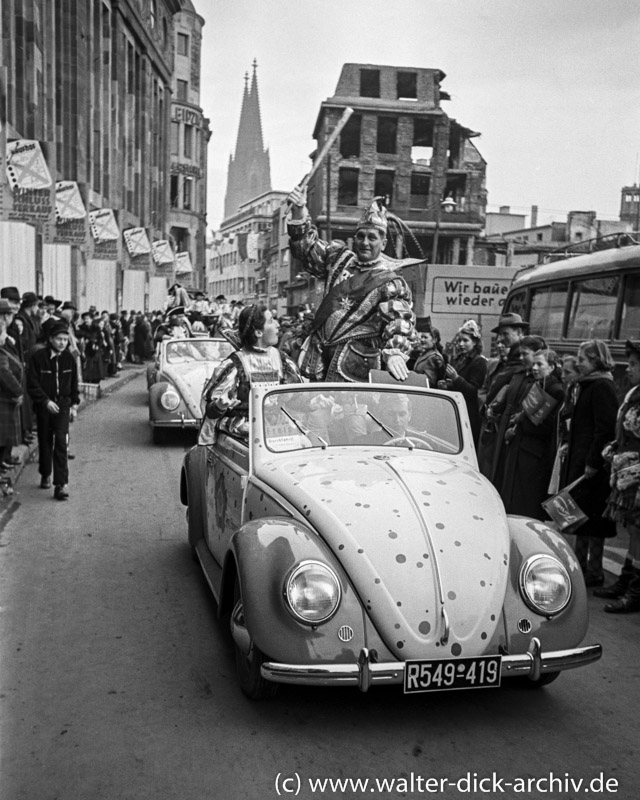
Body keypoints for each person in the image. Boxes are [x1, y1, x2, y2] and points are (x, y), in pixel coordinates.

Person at [287, 187, 418, 383]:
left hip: (355, 363)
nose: (365, 242)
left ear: (383, 244)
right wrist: (299, 211)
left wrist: (396, 352)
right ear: (354, 238)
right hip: (317, 355)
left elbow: (401, 319)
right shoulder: (337, 257)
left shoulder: (391, 282)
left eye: (372, 237)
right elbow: (306, 249)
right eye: (361, 236)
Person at [559, 340, 618, 586]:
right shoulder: (587, 384)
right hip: (581, 459)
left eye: (582, 359)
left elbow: (603, 429)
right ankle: (581, 565)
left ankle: (593, 571)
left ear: (595, 361)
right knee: (582, 518)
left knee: (592, 521)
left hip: (592, 465)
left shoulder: (601, 386)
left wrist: (593, 461)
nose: (579, 362)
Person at [199, 305, 301, 442]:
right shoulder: (235, 364)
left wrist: (314, 403)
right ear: (258, 332)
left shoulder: (283, 360)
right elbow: (209, 410)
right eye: (271, 321)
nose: (278, 325)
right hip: (244, 432)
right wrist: (220, 406)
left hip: (276, 428)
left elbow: (296, 399)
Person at [595, 340, 640, 612]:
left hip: (636, 474)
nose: (629, 368)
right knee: (633, 528)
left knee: (638, 531)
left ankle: (636, 589)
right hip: (627, 473)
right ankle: (626, 580)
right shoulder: (633, 393)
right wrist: (615, 447)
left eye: (634, 364)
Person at [499, 349, 564, 518]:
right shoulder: (537, 384)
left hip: (533, 454)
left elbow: (548, 426)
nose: (534, 368)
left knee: (525, 501)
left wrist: (521, 421)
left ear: (551, 367)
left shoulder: (555, 390)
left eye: (540, 364)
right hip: (521, 449)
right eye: (534, 363)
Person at [27, 320, 80, 500]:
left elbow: (74, 382)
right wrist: (45, 401)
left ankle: (61, 485)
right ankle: (45, 473)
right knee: (45, 440)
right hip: (44, 406)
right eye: (59, 339)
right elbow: (32, 384)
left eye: (65, 340)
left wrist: (74, 404)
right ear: (50, 339)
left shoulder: (69, 359)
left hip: (63, 405)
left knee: (60, 442)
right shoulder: (38, 358)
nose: (62, 343)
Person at [477, 313, 530, 482]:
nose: (501, 338)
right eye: (499, 334)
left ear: (519, 332)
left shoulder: (522, 354)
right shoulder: (511, 356)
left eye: (505, 333)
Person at [440, 320, 487, 445]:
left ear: (475, 342)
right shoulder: (458, 359)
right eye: (459, 340)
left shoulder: (479, 362)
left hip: (468, 415)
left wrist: (456, 379)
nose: (461, 344)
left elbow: (474, 391)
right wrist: (446, 384)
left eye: (465, 341)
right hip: (454, 412)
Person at [0, 317, 24, 474]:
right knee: (2, 436)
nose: (5, 336)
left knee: (4, 437)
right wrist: (18, 390)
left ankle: (2, 461)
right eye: (2, 332)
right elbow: (4, 372)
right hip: (4, 395)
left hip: (6, 395)